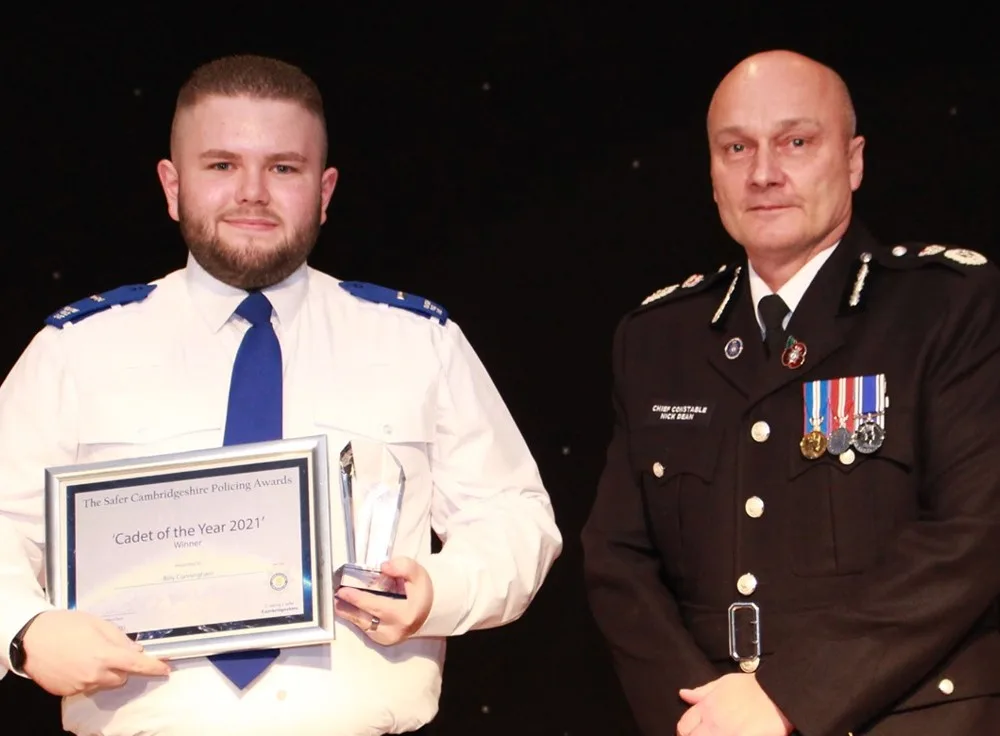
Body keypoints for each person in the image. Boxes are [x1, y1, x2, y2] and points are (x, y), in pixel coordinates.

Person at [0, 54, 562, 736]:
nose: (253, 192)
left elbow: (517, 517)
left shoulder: (418, 343)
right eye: (221, 165)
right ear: (171, 186)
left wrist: (441, 592)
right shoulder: (76, 351)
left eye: (284, 168)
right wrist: (23, 631)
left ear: (324, 191)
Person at [581, 48, 1000, 736]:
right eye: (736, 147)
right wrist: (701, 715)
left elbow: (973, 536)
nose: (764, 173)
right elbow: (617, 560)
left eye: (796, 142)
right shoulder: (658, 338)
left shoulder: (949, 307)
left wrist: (785, 697)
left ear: (854, 160)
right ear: (712, 175)